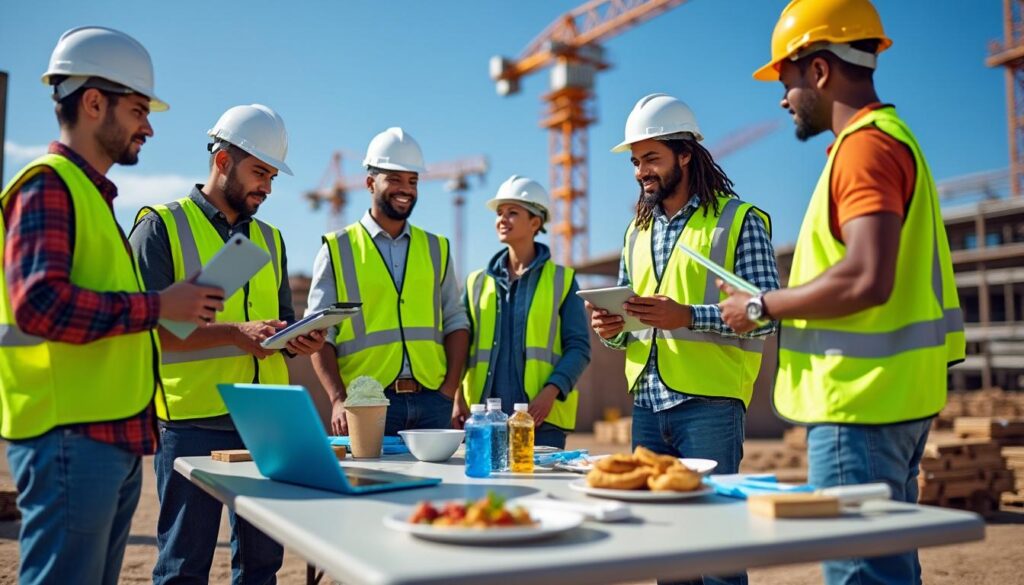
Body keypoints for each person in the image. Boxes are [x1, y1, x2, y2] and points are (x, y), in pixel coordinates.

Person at [719, 1, 965, 583]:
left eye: (788, 80)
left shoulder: (864, 149)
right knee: (887, 568)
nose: (783, 99)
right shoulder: (889, 142)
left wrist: (761, 304)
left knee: (862, 572)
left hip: (859, 411)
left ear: (821, 71)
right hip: (892, 403)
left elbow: (865, 277)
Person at [0, 26, 222, 585]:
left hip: (109, 439)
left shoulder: (93, 200)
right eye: (139, 110)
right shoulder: (48, 187)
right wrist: (158, 304)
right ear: (94, 103)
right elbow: (40, 306)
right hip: (70, 438)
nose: (148, 126)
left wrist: (172, 305)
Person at [588, 93, 780, 585]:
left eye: (651, 157)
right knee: (666, 550)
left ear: (686, 153)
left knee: (716, 551)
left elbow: (766, 316)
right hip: (648, 407)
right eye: (635, 161)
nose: (640, 171)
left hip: (710, 405)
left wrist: (687, 316)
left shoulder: (739, 221)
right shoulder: (637, 230)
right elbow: (635, 327)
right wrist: (614, 330)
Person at [130, 104, 324, 585]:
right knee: (185, 567)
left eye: (273, 176)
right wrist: (238, 336)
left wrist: (297, 338)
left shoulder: (270, 240)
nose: (268, 187)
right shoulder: (161, 226)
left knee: (262, 567)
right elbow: (145, 336)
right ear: (222, 162)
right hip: (195, 420)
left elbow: (277, 324)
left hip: (266, 420)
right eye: (260, 171)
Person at [307, 127, 470, 436]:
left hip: (433, 402)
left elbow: (455, 321)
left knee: (435, 485)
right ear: (370, 183)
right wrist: (338, 398)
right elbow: (319, 333)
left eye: (412, 181)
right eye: (394, 179)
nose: (405, 189)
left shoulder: (437, 248)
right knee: (372, 483)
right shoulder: (337, 249)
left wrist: (449, 390)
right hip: (365, 403)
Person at [461, 175, 590, 448]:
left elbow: (579, 347)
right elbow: (460, 345)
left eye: (512, 212)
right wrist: (456, 399)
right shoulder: (475, 283)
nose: (502, 219)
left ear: (535, 222)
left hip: (541, 419)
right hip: (485, 419)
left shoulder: (562, 280)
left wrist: (551, 392)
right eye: (499, 213)